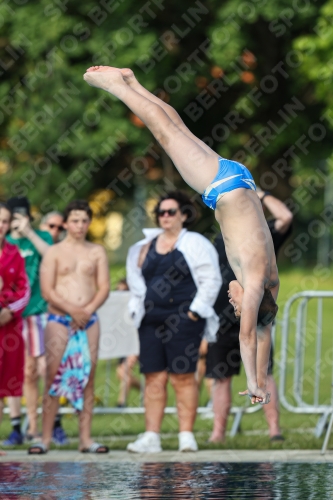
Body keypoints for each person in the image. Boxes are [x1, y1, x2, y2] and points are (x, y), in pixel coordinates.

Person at [83, 66, 279, 404]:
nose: (233, 303)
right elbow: (248, 336)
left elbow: (263, 333)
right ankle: (116, 86)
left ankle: (132, 82)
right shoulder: (256, 282)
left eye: (234, 305)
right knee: (164, 132)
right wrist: (253, 381)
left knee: (176, 128)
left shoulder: (270, 285)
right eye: (238, 304)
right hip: (222, 187)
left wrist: (260, 380)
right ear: (251, 300)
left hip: (240, 180)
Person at [126, 191, 221, 453]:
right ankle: (151, 436)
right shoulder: (146, 246)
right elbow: (135, 281)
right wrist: (137, 310)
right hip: (151, 320)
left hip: (183, 319)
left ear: (183, 215)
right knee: (153, 377)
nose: (165, 217)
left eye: (171, 212)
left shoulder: (196, 243)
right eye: (161, 212)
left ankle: (186, 435)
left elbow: (211, 279)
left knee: (183, 376)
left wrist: (194, 312)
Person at [206, 189, 293, 442]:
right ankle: (218, 433)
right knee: (221, 377)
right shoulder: (227, 237)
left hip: (253, 310)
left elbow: (285, 216)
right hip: (223, 319)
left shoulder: (263, 236)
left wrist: (259, 194)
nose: (233, 301)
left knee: (262, 366)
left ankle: (274, 429)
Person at [28, 200, 110, 454]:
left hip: (88, 319)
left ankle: (85, 439)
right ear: (66, 223)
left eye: (84, 220)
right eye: (75, 220)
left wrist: (86, 310)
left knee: (88, 376)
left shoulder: (96, 251)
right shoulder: (54, 252)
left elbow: (104, 286)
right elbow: (47, 290)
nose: (80, 225)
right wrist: (72, 309)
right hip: (59, 320)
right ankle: (45, 438)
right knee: (53, 377)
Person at [3, 197, 52, 446]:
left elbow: (53, 257)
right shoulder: (5, 242)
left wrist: (29, 233)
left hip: (36, 312)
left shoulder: (42, 237)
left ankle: (35, 426)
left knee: (36, 372)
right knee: (15, 373)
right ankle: (16, 425)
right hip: (11, 318)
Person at [0, 202, 30, 455]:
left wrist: (8, 311)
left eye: (5, 221)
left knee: (4, 385)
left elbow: (24, 290)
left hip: (8, 328)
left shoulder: (14, 253)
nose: (0, 226)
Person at [115, 278, 140, 408]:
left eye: (124, 291)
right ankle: (144, 389)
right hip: (124, 342)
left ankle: (121, 403)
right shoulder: (117, 311)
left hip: (137, 342)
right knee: (121, 372)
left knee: (123, 370)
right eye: (118, 291)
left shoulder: (135, 308)